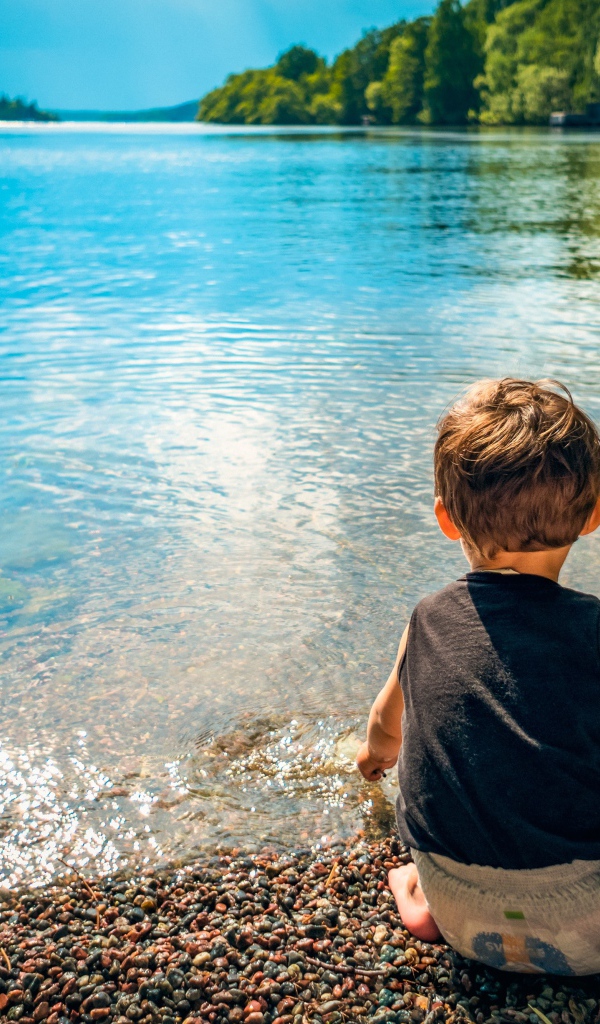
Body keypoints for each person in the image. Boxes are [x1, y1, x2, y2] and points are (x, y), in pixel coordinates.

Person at [357, 378, 600, 975]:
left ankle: (416, 899)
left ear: (446, 519)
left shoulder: (427, 620)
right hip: (590, 923)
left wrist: (372, 760)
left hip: (460, 910)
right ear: (593, 516)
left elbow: (386, 725)